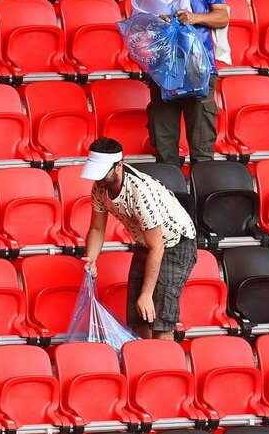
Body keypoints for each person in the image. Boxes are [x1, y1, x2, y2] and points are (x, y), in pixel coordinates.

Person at [132, 0, 229, 168]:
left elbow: (222, 16)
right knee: (165, 152)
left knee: (203, 150)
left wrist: (194, 17)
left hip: (199, 66)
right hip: (164, 69)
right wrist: (157, 22)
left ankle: (202, 203)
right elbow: (137, 24)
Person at [80, 138, 197, 341]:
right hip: (146, 244)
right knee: (137, 319)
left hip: (175, 244)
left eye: (102, 172)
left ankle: (164, 368)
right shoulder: (100, 187)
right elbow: (97, 228)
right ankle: (144, 365)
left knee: (159, 318)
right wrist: (91, 258)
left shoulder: (140, 192)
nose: (97, 178)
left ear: (118, 166)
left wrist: (146, 294)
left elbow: (158, 247)